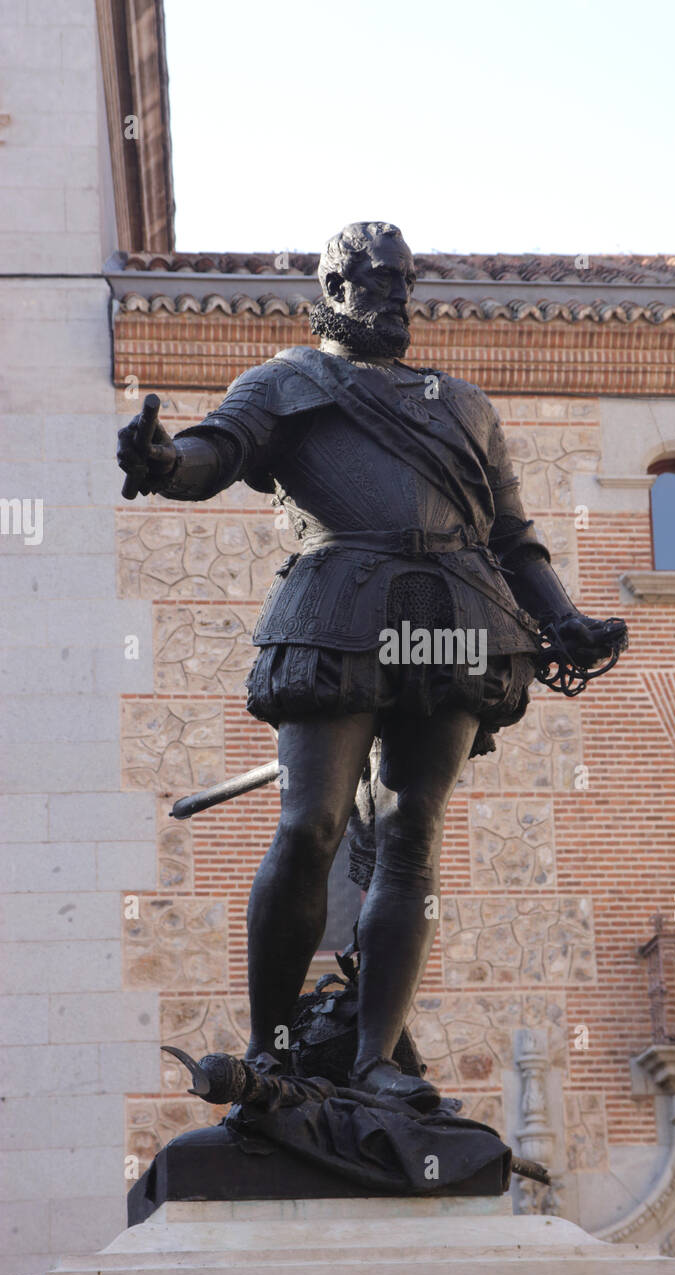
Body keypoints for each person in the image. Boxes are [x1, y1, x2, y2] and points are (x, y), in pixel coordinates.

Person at [117, 221, 626, 1111]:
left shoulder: (463, 404)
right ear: (334, 284)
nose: (394, 297)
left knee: (410, 833)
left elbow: (511, 537)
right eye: (376, 280)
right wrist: (164, 462)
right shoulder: (287, 381)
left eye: (404, 282)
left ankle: (375, 1057)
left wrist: (565, 619)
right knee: (311, 824)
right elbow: (217, 452)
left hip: (461, 612)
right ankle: (273, 1046)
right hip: (339, 607)